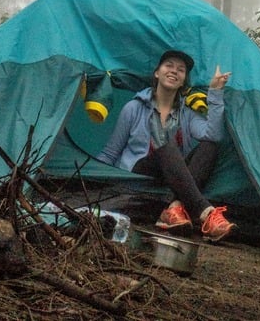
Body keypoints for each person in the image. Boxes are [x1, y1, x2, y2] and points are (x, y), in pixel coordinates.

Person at [95, 49, 236, 241]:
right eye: (168, 65)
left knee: (210, 146)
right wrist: (90, 182)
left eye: (181, 69)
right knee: (166, 145)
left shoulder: (186, 113)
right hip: (138, 175)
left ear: (183, 79)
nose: (174, 71)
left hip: (172, 180)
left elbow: (213, 135)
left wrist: (215, 93)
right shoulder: (134, 108)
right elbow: (111, 152)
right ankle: (205, 213)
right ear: (157, 72)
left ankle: (173, 208)